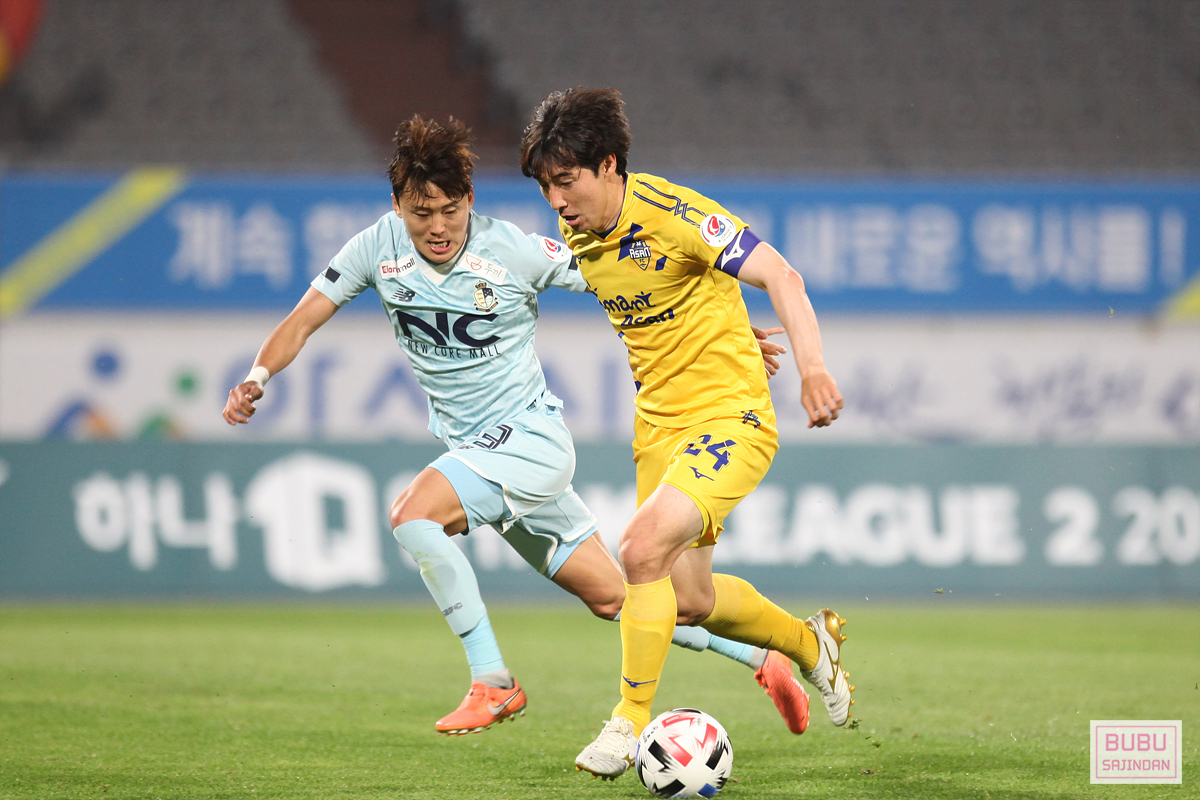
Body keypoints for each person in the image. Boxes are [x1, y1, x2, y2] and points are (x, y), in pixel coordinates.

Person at [222, 115, 812, 739]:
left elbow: (636, 283)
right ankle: (762, 658)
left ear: (470, 200)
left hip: (528, 442)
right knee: (616, 597)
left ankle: (492, 682)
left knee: (412, 516)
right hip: (476, 451)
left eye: (450, 210)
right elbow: (301, 320)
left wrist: (718, 326)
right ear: (397, 206)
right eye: (422, 213)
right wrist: (258, 376)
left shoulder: (512, 251)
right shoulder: (375, 249)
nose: (438, 227)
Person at [520, 87, 855, 780]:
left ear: (608, 165)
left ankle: (627, 722)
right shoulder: (579, 234)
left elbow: (781, 275)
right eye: (546, 186)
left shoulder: (676, 215)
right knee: (692, 601)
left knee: (640, 548)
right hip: (658, 428)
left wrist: (814, 369)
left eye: (566, 181)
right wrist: (729, 327)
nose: (556, 200)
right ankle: (808, 642)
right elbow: (670, 297)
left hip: (731, 417)